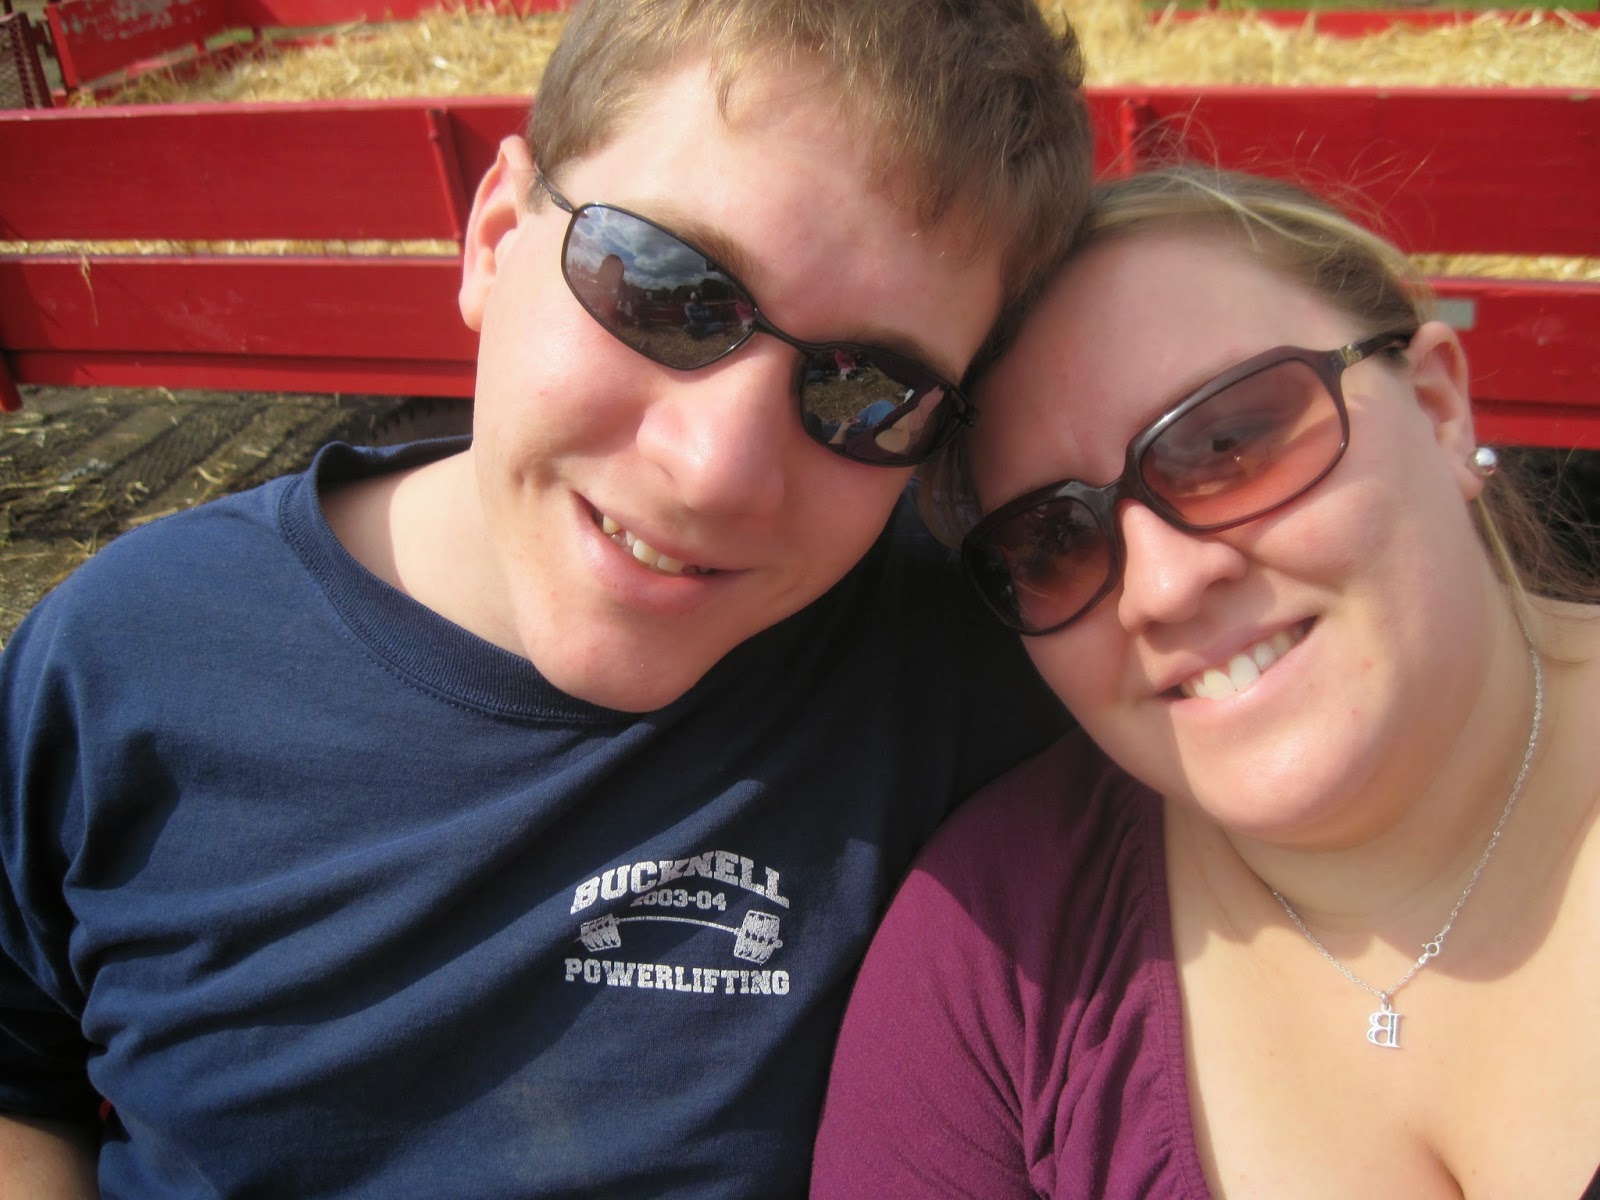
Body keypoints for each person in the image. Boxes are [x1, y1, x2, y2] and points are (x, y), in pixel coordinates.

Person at [0, 2, 1095, 1196]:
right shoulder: (123, 660)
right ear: (494, 239)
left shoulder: (976, 682)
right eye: (671, 292)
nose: (716, 471)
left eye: (866, 392)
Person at [811, 166, 1600, 1198]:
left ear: (1439, 409)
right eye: (1052, 544)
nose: (1164, 587)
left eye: (1227, 444)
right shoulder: (988, 963)